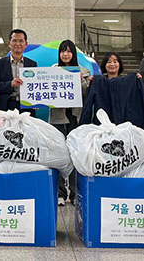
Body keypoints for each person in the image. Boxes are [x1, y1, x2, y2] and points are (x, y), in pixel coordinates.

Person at [49, 40, 90, 206]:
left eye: (68, 51)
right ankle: (60, 193)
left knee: (74, 155)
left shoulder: (83, 71)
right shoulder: (52, 70)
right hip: (57, 118)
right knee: (57, 154)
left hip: (74, 117)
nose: (65, 55)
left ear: (74, 53)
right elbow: (45, 92)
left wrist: (80, 80)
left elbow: (87, 94)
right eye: (62, 51)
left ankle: (74, 193)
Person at [0, 29, 37, 113]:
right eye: (14, 40)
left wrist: (36, 101)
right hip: (6, 105)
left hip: (27, 107)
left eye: (21, 41)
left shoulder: (32, 64)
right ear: (9, 43)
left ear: (26, 44)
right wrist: (10, 84)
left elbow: (36, 86)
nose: (18, 44)